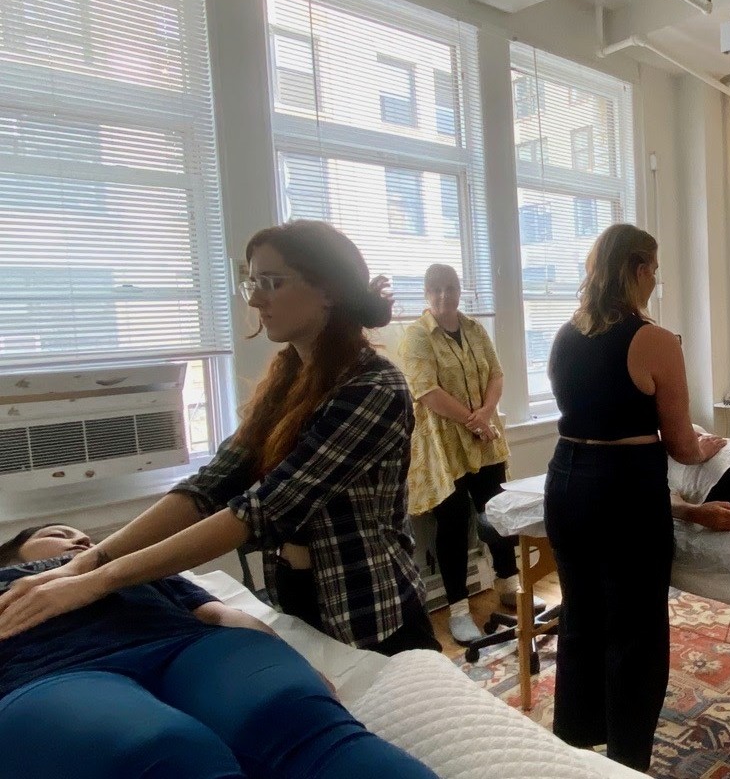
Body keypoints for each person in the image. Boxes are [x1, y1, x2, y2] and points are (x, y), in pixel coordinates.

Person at [0, 220, 440, 656]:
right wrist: (85, 562)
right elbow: (210, 485)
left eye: (272, 282)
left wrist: (98, 581)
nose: (256, 299)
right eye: (253, 283)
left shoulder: (374, 389)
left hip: (370, 605)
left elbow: (260, 510)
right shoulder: (289, 380)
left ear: (329, 291)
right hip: (299, 591)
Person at [0, 524, 438, 779]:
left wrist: (294, 660)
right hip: (51, 674)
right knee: (159, 750)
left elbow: (219, 613)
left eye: (85, 536)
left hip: (188, 647)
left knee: (289, 712)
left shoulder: (125, 567)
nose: (81, 541)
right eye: (59, 534)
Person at [544, 223, 726, 772]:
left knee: (581, 618)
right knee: (636, 628)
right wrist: (705, 447)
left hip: (565, 480)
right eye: (654, 271)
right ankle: (626, 759)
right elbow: (681, 445)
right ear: (639, 269)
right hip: (623, 489)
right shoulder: (655, 340)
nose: (655, 281)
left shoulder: (565, 334)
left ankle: (575, 747)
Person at [398, 263, 541, 646]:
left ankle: (508, 586)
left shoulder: (475, 329)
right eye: (436, 289)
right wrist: (473, 420)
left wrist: (485, 414)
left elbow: (496, 374)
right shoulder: (416, 337)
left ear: (460, 290)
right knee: (453, 523)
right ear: (426, 293)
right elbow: (427, 392)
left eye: (450, 287)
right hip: (444, 446)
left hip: (484, 438)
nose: (444, 295)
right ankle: (459, 609)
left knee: (498, 512)